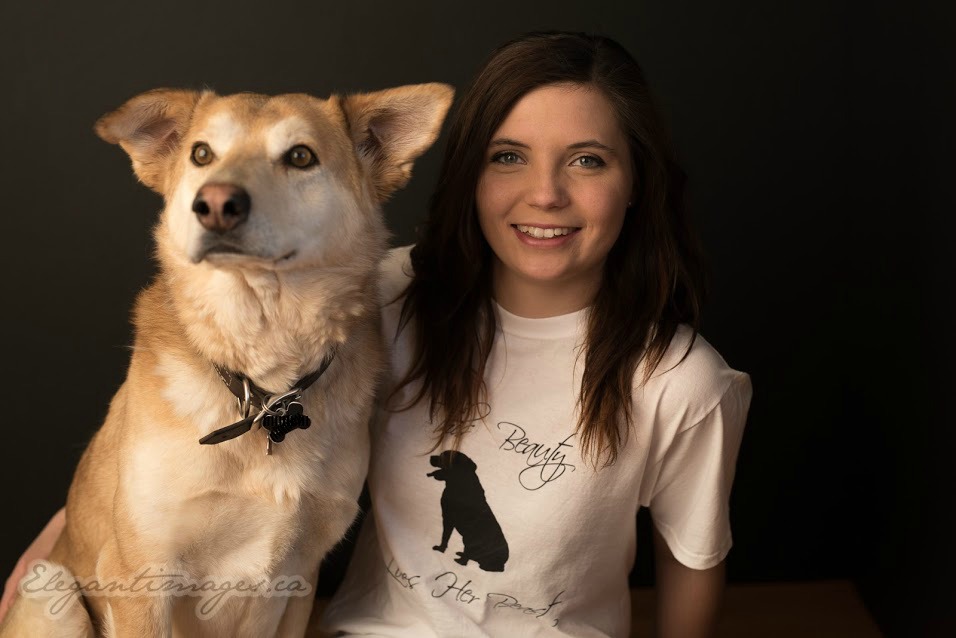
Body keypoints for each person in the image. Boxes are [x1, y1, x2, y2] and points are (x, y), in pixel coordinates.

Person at [2, 31, 751, 638]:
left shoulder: (682, 383)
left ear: (638, 181)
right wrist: (64, 550)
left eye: (587, 160)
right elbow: (154, 459)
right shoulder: (385, 297)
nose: (545, 193)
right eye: (508, 157)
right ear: (474, 177)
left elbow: (692, 561)